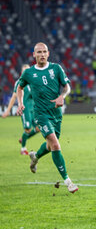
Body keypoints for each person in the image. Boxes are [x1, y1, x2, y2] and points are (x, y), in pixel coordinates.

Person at [16, 42, 78, 193]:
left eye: (44, 52)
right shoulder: (29, 73)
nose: (42, 55)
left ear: (48, 53)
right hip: (41, 115)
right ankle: (68, 181)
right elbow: (19, 87)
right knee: (56, 145)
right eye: (39, 52)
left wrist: (62, 96)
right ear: (34, 55)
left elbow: (67, 86)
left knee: (50, 146)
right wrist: (19, 103)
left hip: (56, 114)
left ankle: (35, 157)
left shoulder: (56, 68)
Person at [2, 64, 39, 155]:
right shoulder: (19, 82)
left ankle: (23, 138)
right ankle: (23, 149)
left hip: (33, 109)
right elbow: (14, 97)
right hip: (25, 109)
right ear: (22, 72)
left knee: (39, 128)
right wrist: (7, 110)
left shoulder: (33, 81)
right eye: (24, 71)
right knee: (27, 129)